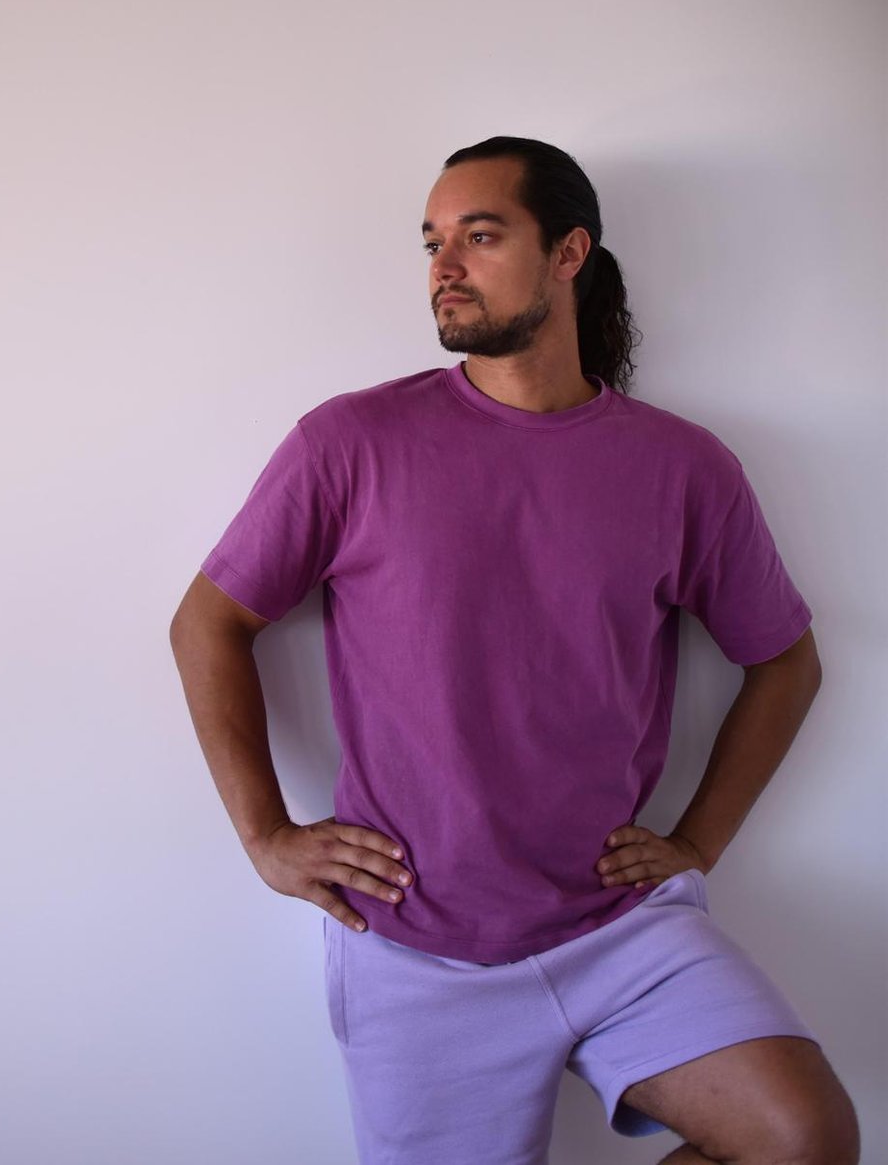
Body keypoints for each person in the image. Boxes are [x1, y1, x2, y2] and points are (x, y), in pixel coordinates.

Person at [169, 136, 859, 1164]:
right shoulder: (350, 443)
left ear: (568, 252)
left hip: (619, 931)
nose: (443, 266)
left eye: (480, 236)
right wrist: (265, 833)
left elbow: (785, 660)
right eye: (432, 242)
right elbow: (207, 622)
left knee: (803, 1136)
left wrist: (698, 842)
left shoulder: (682, 468)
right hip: (415, 949)